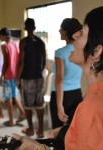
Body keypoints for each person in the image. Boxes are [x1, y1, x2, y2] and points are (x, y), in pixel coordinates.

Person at [13, 6, 103, 150]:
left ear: (96, 51)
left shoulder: (92, 106)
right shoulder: (93, 95)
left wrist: (39, 148)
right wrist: (67, 131)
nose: (75, 36)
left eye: (82, 33)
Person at [48, 18, 83, 138]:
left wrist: (59, 106)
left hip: (61, 96)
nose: (59, 31)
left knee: (58, 134)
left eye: (61, 29)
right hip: (77, 95)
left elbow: (59, 79)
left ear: (66, 32)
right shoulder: (82, 51)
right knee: (74, 131)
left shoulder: (60, 52)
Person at [17, 18, 46, 138]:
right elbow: (44, 61)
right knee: (40, 105)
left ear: (25, 28)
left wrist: (18, 78)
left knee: (28, 105)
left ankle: (30, 129)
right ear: (34, 28)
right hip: (39, 76)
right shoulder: (41, 42)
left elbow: (21, 62)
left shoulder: (23, 42)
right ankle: (40, 130)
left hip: (27, 77)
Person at [0, 27, 25, 126]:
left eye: (0, 35)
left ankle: (11, 121)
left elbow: (6, 63)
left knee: (8, 98)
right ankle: (22, 113)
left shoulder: (4, 46)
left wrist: (2, 75)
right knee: (14, 95)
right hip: (16, 74)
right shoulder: (16, 44)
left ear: (3, 36)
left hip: (8, 74)